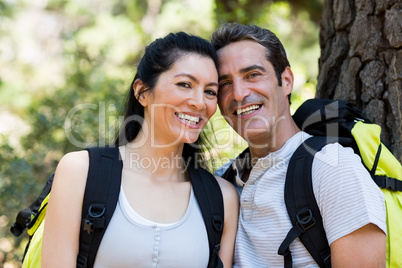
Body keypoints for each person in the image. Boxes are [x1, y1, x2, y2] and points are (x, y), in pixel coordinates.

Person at [42, 32, 239, 267]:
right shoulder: (80, 172)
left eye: (210, 91)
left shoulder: (223, 198)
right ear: (142, 91)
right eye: (185, 84)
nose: (199, 102)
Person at [211, 23, 386, 267]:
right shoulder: (223, 181)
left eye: (252, 75)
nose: (239, 93)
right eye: (224, 83)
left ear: (286, 80)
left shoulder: (332, 168)